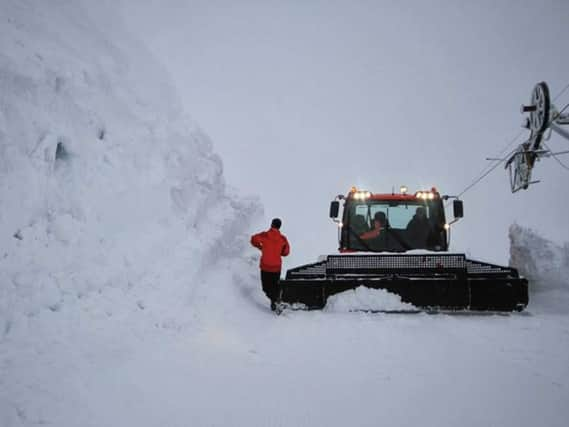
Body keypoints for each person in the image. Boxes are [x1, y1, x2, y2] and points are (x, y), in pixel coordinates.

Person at [250, 218, 290, 311]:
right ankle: (276, 299)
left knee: (266, 288)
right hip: (276, 268)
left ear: (271, 224)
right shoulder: (283, 239)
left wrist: (261, 247)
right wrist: (279, 252)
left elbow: (253, 239)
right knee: (274, 286)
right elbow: (286, 252)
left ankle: (275, 300)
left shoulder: (264, 235)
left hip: (265, 267)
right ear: (280, 227)